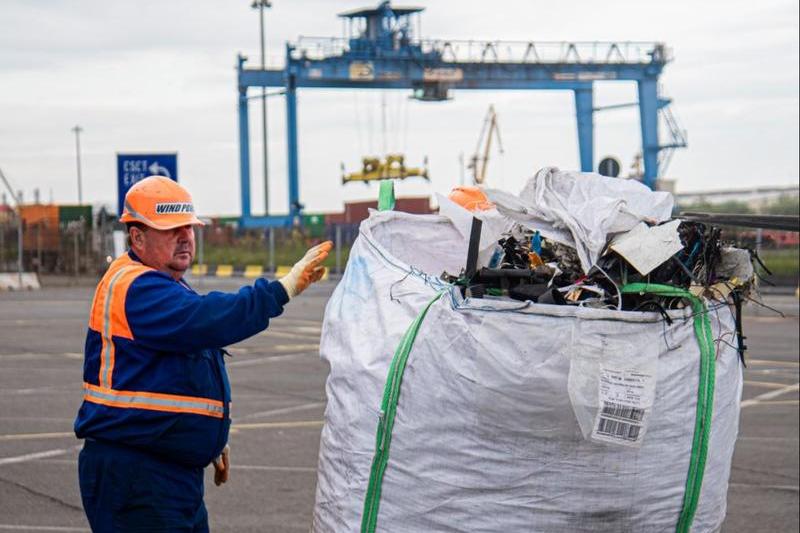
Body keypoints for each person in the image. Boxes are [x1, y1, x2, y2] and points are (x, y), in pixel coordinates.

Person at [74, 176, 332, 532]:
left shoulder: (165, 283)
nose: (185, 237)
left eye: (189, 228)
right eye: (171, 229)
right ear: (137, 237)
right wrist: (283, 289)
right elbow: (209, 320)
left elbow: (178, 367)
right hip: (138, 476)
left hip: (168, 471)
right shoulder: (137, 287)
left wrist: (207, 438)